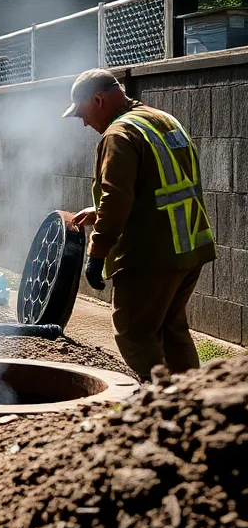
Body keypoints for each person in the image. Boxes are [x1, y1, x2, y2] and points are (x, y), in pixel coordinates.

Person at [63, 68, 215, 379]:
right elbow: (159, 184)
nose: (82, 121)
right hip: (188, 248)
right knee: (173, 330)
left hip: (150, 255)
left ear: (98, 100)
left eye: (82, 112)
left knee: (135, 335)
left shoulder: (118, 134)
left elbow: (117, 197)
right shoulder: (162, 120)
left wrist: (97, 252)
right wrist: (100, 210)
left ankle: (161, 407)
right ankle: (194, 404)